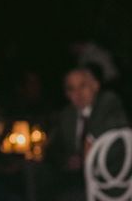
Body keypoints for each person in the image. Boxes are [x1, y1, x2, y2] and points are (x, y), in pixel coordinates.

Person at [48, 67, 129, 200]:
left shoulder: (107, 101)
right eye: (71, 89)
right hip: (76, 179)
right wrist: (67, 161)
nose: (77, 93)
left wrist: (90, 142)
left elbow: (119, 123)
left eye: (83, 86)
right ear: (67, 94)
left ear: (95, 86)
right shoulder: (67, 115)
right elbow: (54, 148)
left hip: (110, 180)